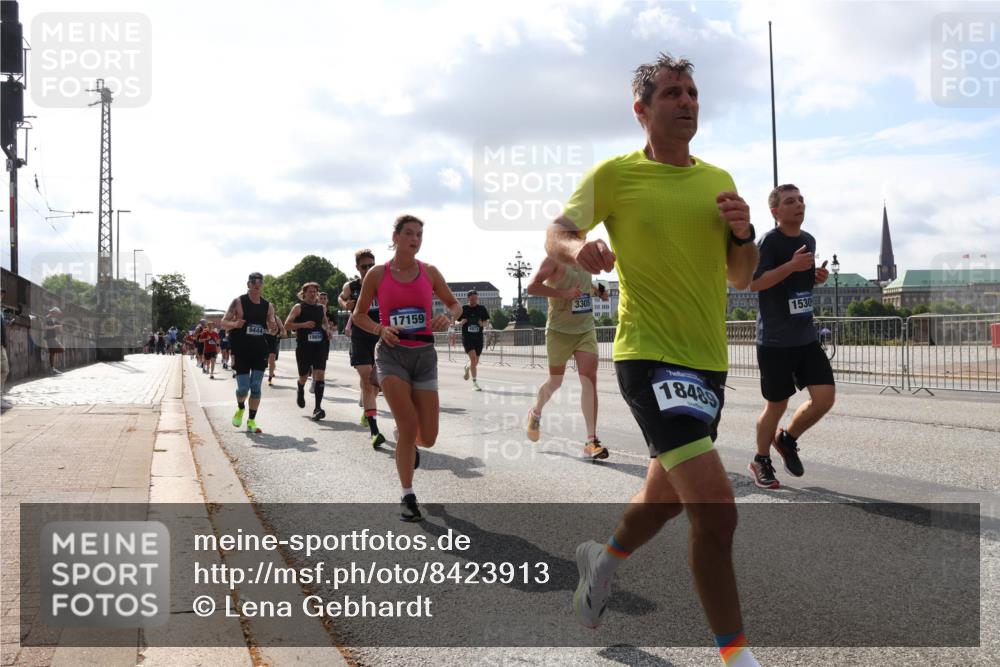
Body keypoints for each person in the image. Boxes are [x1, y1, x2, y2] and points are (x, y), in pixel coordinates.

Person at [548, 55, 761, 667]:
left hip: (708, 364)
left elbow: (741, 277)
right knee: (716, 511)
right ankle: (738, 659)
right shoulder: (616, 174)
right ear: (641, 109)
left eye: (692, 92)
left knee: (665, 498)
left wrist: (744, 235)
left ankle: (603, 560)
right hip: (648, 356)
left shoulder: (718, 178)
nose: (687, 101)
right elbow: (556, 232)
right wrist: (577, 248)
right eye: (672, 93)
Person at [351, 215, 461, 521]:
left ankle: (404, 437)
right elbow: (359, 315)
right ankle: (407, 495)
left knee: (429, 437)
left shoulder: (430, 272)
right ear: (395, 237)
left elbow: (455, 305)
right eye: (409, 233)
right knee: (410, 423)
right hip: (391, 356)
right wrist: (380, 329)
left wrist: (448, 317)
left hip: (424, 356)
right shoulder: (378, 274)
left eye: (419, 235)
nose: (415, 239)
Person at [747, 184, 835, 490]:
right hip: (775, 339)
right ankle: (760, 460)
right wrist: (792, 265)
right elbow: (755, 283)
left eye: (800, 200)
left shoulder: (808, 239)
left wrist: (815, 277)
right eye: (789, 201)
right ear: (775, 211)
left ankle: (786, 439)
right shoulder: (769, 242)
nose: (798, 205)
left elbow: (799, 283)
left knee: (824, 399)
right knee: (777, 405)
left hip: (805, 336)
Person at [525, 258, 609, 459]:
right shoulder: (553, 260)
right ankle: (535, 412)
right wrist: (564, 294)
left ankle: (591, 441)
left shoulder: (586, 259)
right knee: (555, 381)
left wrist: (599, 291)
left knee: (589, 379)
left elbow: (585, 284)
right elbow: (532, 287)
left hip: (585, 329)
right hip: (559, 332)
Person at [220, 272, 281, 434]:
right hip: (241, 350)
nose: (257, 284)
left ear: (262, 285)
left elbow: (272, 327)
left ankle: (251, 420)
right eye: (254, 281)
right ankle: (240, 408)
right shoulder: (238, 302)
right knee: (243, 388)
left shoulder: (268, 305)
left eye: (260, 282)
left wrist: (273, 327)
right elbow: (223, 323)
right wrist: (235, 324)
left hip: (260, 350)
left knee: (255, 386)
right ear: (248, 284)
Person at [339, 249, 387, 449]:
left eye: (371, 265)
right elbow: (340, 298)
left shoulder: (383, 282)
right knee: (368, 381)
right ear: (357, 268)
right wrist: (346, 304)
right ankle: (375, 431)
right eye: (364, 266)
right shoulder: (351, 286)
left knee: (376, 385)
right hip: (360, 337)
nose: (368, 269)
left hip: (380, 337)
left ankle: (367, 410)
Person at [285, 282, 332, 421]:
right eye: (310, 291)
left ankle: (317, 408)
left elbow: (325, 322)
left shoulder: (321, 308)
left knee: (320, 375)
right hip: (304, 347)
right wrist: (303, 325)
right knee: (304, 376)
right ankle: (300, 387)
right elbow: (287, 325)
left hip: (319, 346)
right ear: (304, 293)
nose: (313, 294)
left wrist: (328, 331)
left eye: (315, 291)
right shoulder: (298, 307)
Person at [457, 290, 490, 391]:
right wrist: (461, 322)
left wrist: (482, 324)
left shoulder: (482, 308)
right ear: (468, 298)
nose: (474, 301)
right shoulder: (463, 309)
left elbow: (487, 322)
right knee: (473, 358)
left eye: (476, 299)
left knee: (475, 362)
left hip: (478, 338)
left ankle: (467, 367)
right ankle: (475, 383)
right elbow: (455, 321)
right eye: (472, 299)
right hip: (467, 337)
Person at [43, 307, 65, 373]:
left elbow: (60, 330)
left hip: (53, 338)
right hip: (49, 338)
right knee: (54, 352)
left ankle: (52, 368)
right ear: (53, 312)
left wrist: (60, 328)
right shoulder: (47, 318)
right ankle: (52, 368)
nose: (57, 315)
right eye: (57, 313)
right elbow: (45, 327)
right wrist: (55, 327)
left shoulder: (55, 319)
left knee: (57, 351)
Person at [264, 320, 285, 386]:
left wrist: (280, 334)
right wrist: (268, 332)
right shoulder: (263, 316)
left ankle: (270, 379)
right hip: (263, 341)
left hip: (273, 342)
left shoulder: (277, 319)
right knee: (265, 360)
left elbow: (283, 330)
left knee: (271, 360)